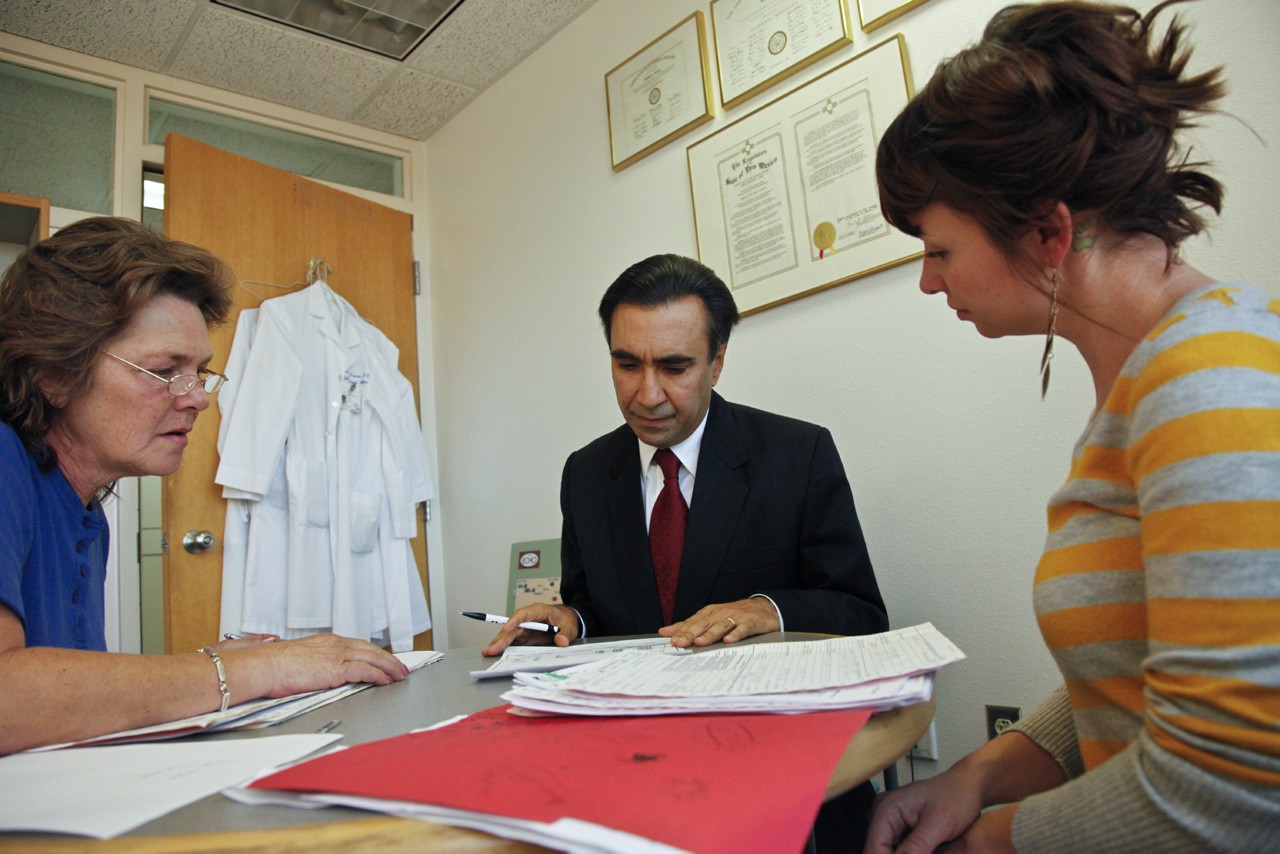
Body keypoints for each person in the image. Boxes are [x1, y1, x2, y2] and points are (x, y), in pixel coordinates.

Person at [866, 2, 1279, 851]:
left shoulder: (1210, 380)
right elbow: (1135, 665)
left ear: (1050, 232)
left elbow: (1232, 786)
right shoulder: (1148, 384)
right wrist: (978, 776)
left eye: (939, 250)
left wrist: (989, 840)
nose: (929, 283)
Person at [485, 252, 889, 850]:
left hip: (781, 788)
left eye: (674, 367)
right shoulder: (586, 473)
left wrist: (766, 610)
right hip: (632, 786)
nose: (647, 394)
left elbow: (862, 617)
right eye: (627, 364)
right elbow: (596, 610)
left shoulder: (797, 455)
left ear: (718, 361)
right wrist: (567, 620)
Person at [0, 217, 408, 756]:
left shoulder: (85, 514)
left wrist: (220, 669)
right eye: (166, 370)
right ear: (53, 373)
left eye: (201, 373)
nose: (197, 397)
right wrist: (241, 668)